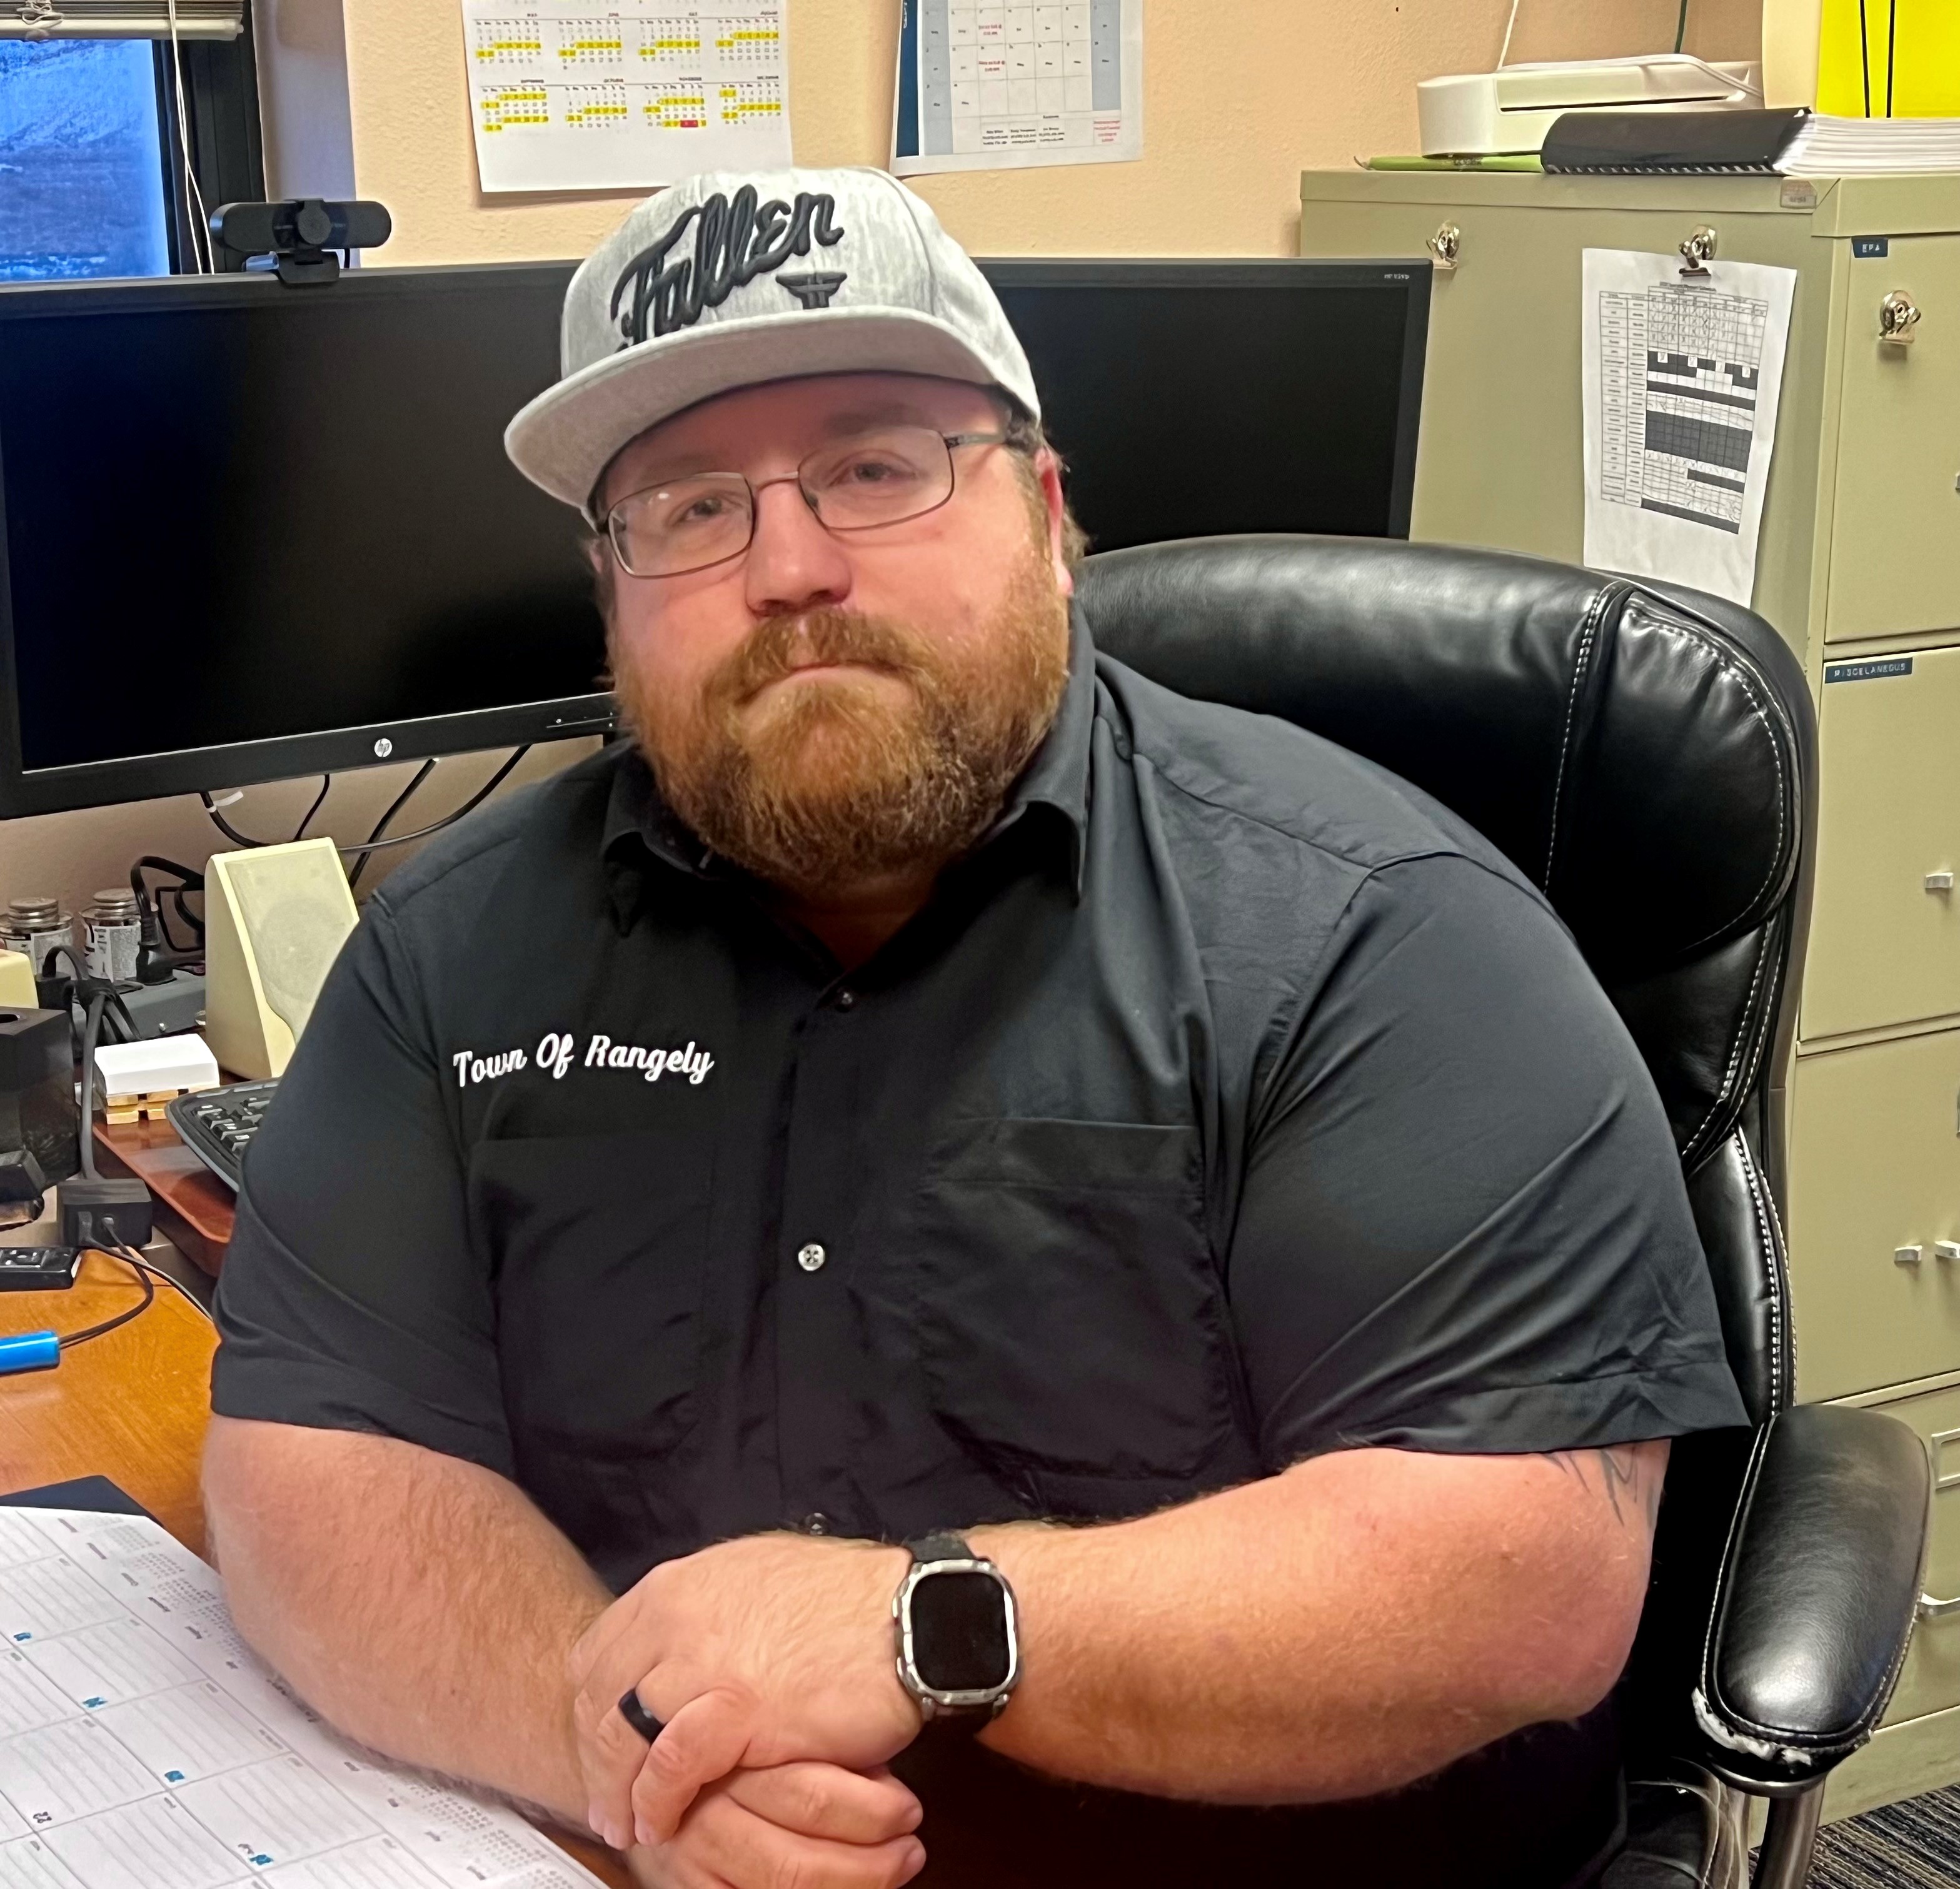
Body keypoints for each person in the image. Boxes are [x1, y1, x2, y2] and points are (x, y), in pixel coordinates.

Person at [203, 166, 1749, 1889]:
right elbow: (313, 1462)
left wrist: (929, 1623)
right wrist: (607, 1736)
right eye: (689, 508)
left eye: (876, 465)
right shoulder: (449, 951)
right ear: (611, 588)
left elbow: (1524, 1579)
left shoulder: (1372, 932)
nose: (787, 568)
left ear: (1049, 516)